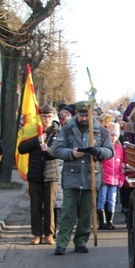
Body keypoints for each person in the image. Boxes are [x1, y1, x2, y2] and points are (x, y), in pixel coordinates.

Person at [52, 101, 114, 255]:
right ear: (76, 113)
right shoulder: (67, 130)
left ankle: (81, 241)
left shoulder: (101, 131)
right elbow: (57, 150)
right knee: (68, 211)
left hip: (91, 175)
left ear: (92, 114)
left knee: (87, 212)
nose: (84, 117)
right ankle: (61, 243)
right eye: (81, 114)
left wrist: (98, 151)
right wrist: (71, 153)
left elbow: (110, 152)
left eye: (87, 114)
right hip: (72, 175)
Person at [17, 105, 60, 245]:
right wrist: (37, 140)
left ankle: (49, 234)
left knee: (49, 206)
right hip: (35, 174)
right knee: (35, 206)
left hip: (51, 174)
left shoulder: (58, 132)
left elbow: (59, 152)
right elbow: (21, 149)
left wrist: (47, 149)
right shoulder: (32, 130)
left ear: (54, 116)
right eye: (44, 116)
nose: (46, 119)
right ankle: (36, 234)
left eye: (49, 116)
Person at [97, 121, 124, 231]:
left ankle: (109, 221)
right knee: (102, 199)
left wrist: (121, 178)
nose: (114, 137)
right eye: (112, 135)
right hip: (104, 178)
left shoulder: (119, 148)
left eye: (116, 135)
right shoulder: (104, 147)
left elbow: (121, 164)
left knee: (112, 200)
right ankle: (102, 221)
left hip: (115, 179)